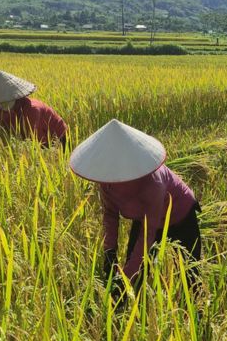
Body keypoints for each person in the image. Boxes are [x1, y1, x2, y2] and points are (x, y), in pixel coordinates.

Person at [69, 119, 201, 301]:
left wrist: (126, 276)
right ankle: (131, 309)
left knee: (189, 273)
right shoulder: (106, 181)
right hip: (144, 220)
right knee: (137, 272)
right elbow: (110, 215)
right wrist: (110, 251)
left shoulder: (153, 183)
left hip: (180, 216)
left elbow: (148, 232)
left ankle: (196, 314)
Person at [0, 70, 68, 148]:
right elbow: (4, 135)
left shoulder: (32, 110)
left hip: (57, 137)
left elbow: (39, 142)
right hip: (32, 139)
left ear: (14, 97)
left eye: (4, 101)